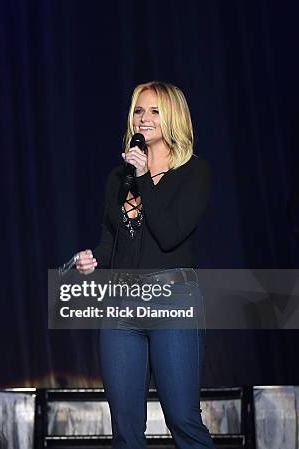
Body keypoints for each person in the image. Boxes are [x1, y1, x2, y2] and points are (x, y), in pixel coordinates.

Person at [75, 81, 215, 448]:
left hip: (173, 300)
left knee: (183, 419)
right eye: (139, 110)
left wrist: (141, 178)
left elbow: (169, 235)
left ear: (172, 118)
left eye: (154, 111)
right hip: (122, 306)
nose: (144, 118)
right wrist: (93, 261)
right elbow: (112, 244)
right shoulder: (116, 179)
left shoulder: (194, 173)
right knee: (125, 429)